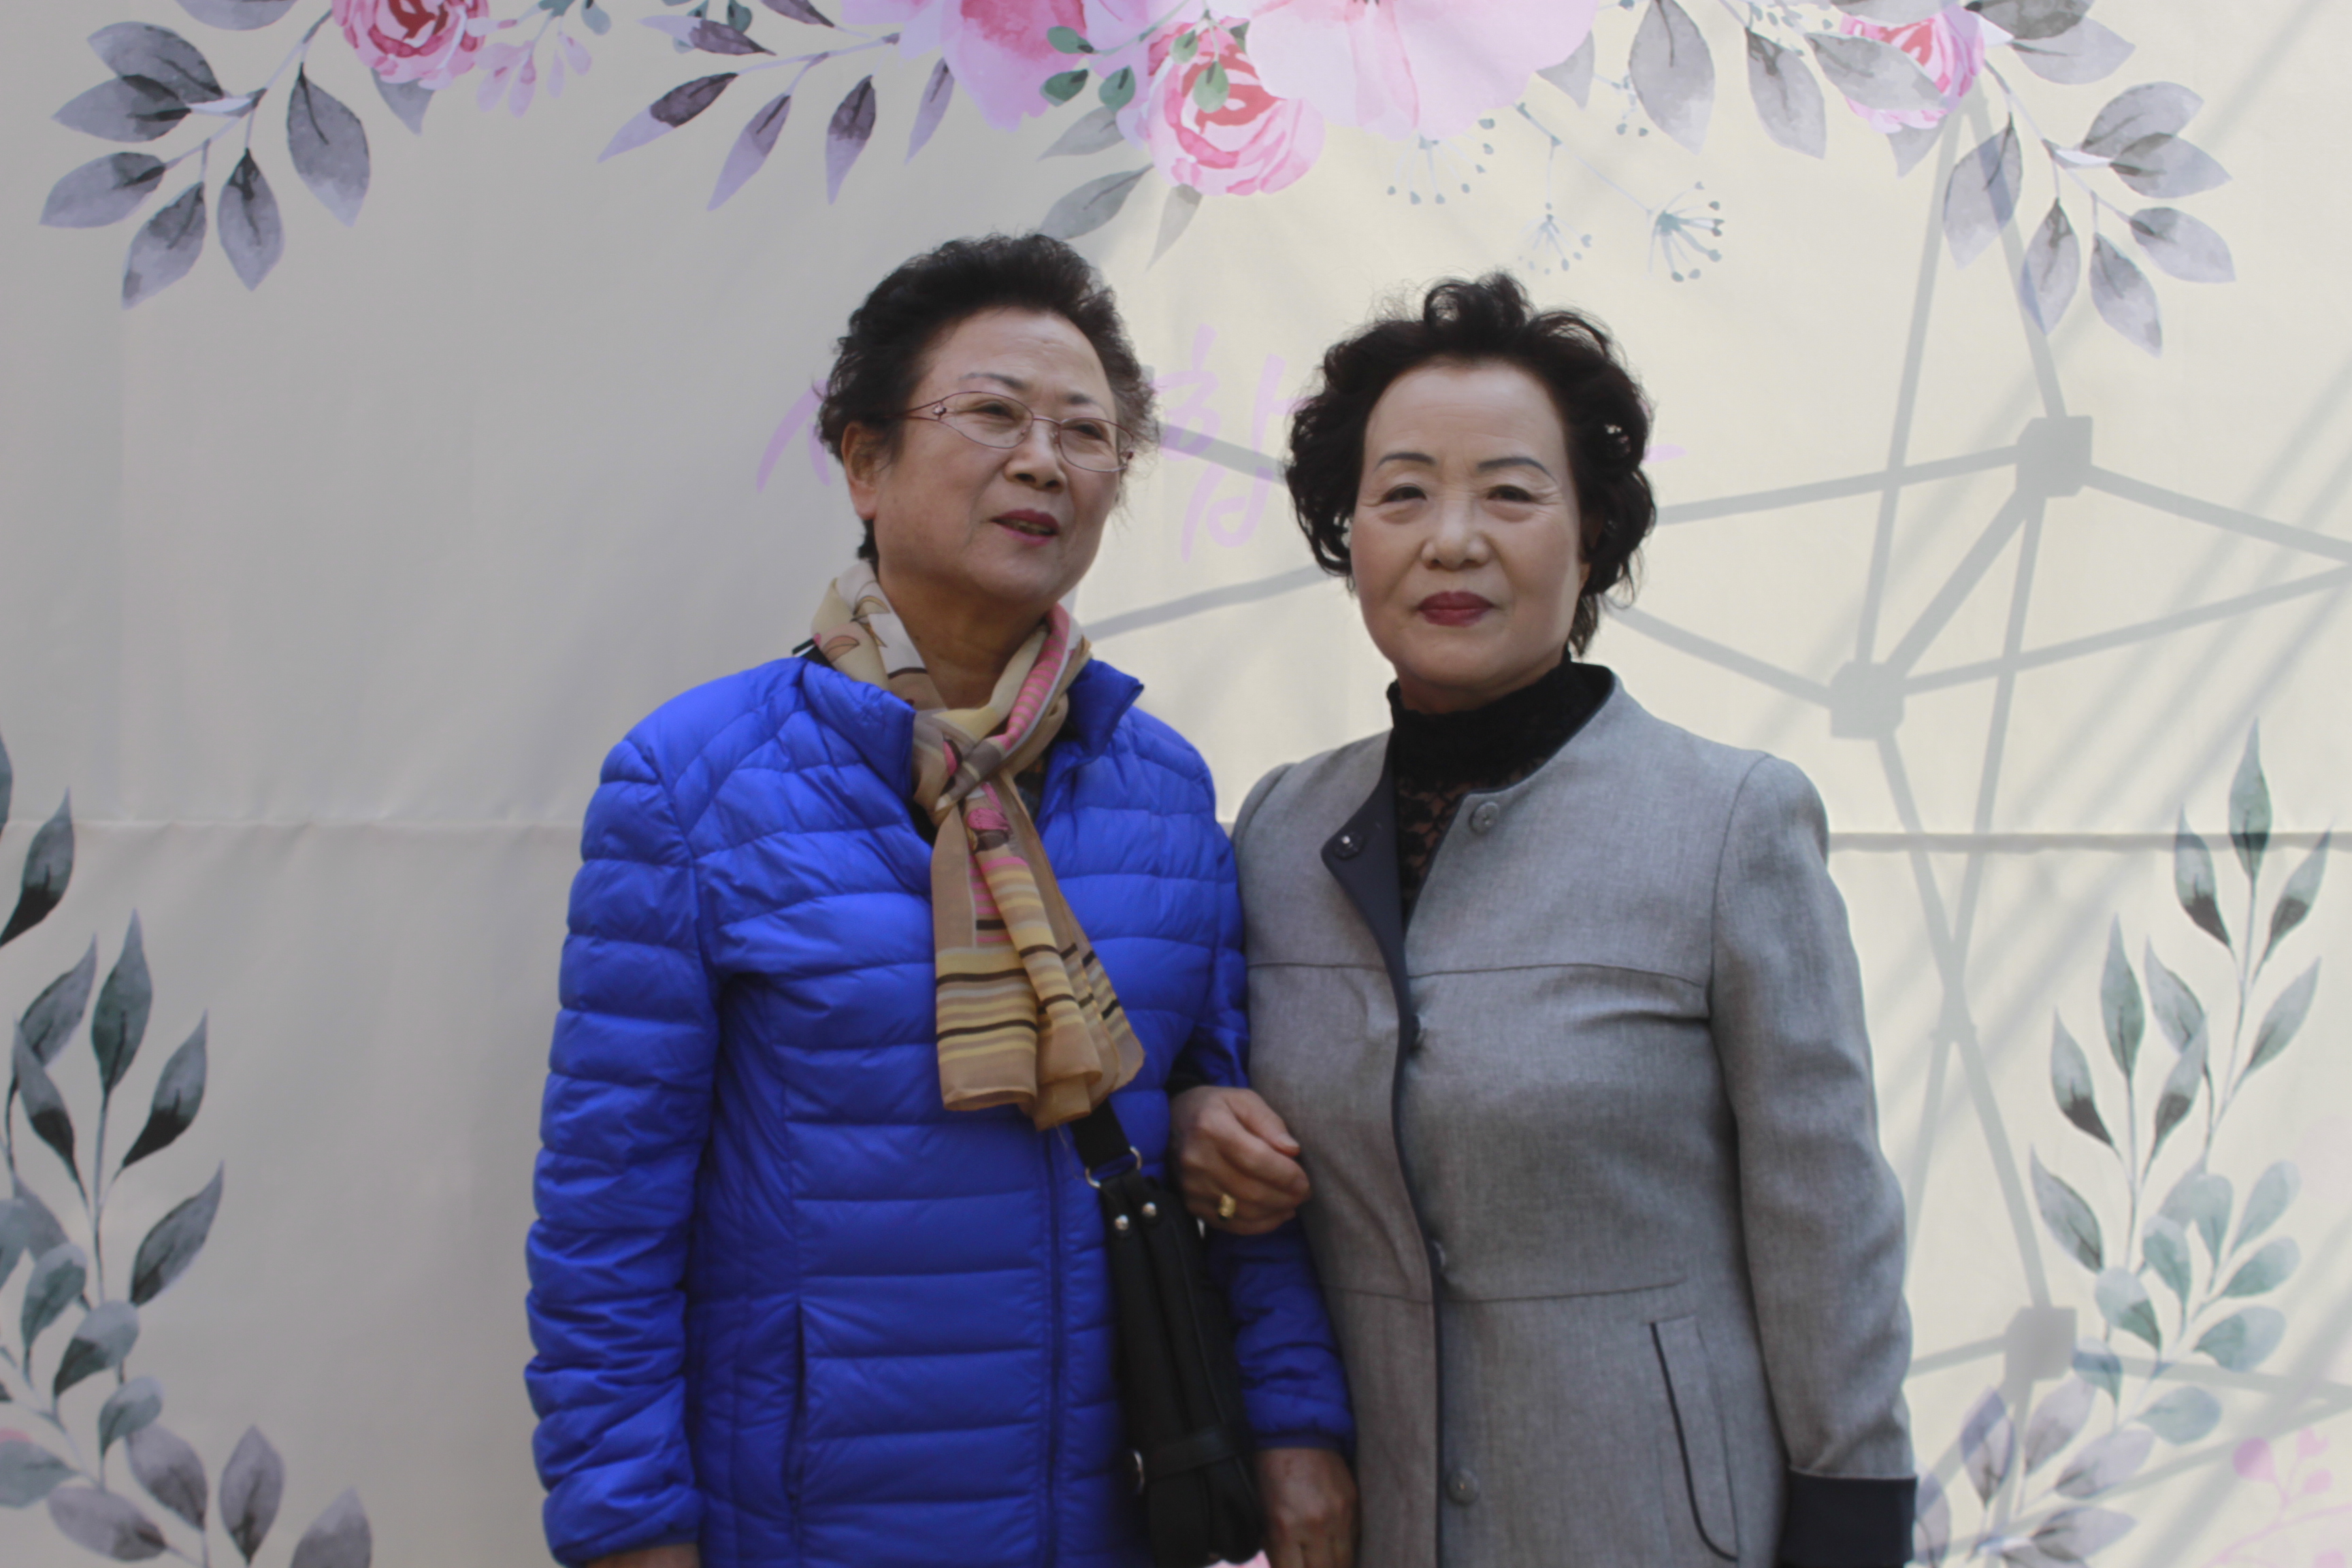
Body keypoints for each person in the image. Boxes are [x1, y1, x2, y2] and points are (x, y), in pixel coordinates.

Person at [525, 233, 1357, 1568]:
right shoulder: (696, 784)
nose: (1044, 461)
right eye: (993, 414)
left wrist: (1297, 1422)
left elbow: (1230, 1141)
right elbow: (605, 1224)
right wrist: (629, 1532)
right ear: (865, 462)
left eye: (1086, 433)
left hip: (1104, 1516)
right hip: (808, 1520)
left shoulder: (1159, 786)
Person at [1172, 275, 1915, 1568]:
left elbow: (1826, 1220)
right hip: (1378, 1526)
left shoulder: (1729, 822)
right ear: (1351, 535)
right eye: (1403, 494)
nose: (1452, 540)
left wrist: (1852, 1519)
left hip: (1658, 1528)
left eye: (1511, 494)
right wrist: (1194, 1122)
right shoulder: (1280, 828)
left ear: (1592, 536)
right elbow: (1231, 1108)